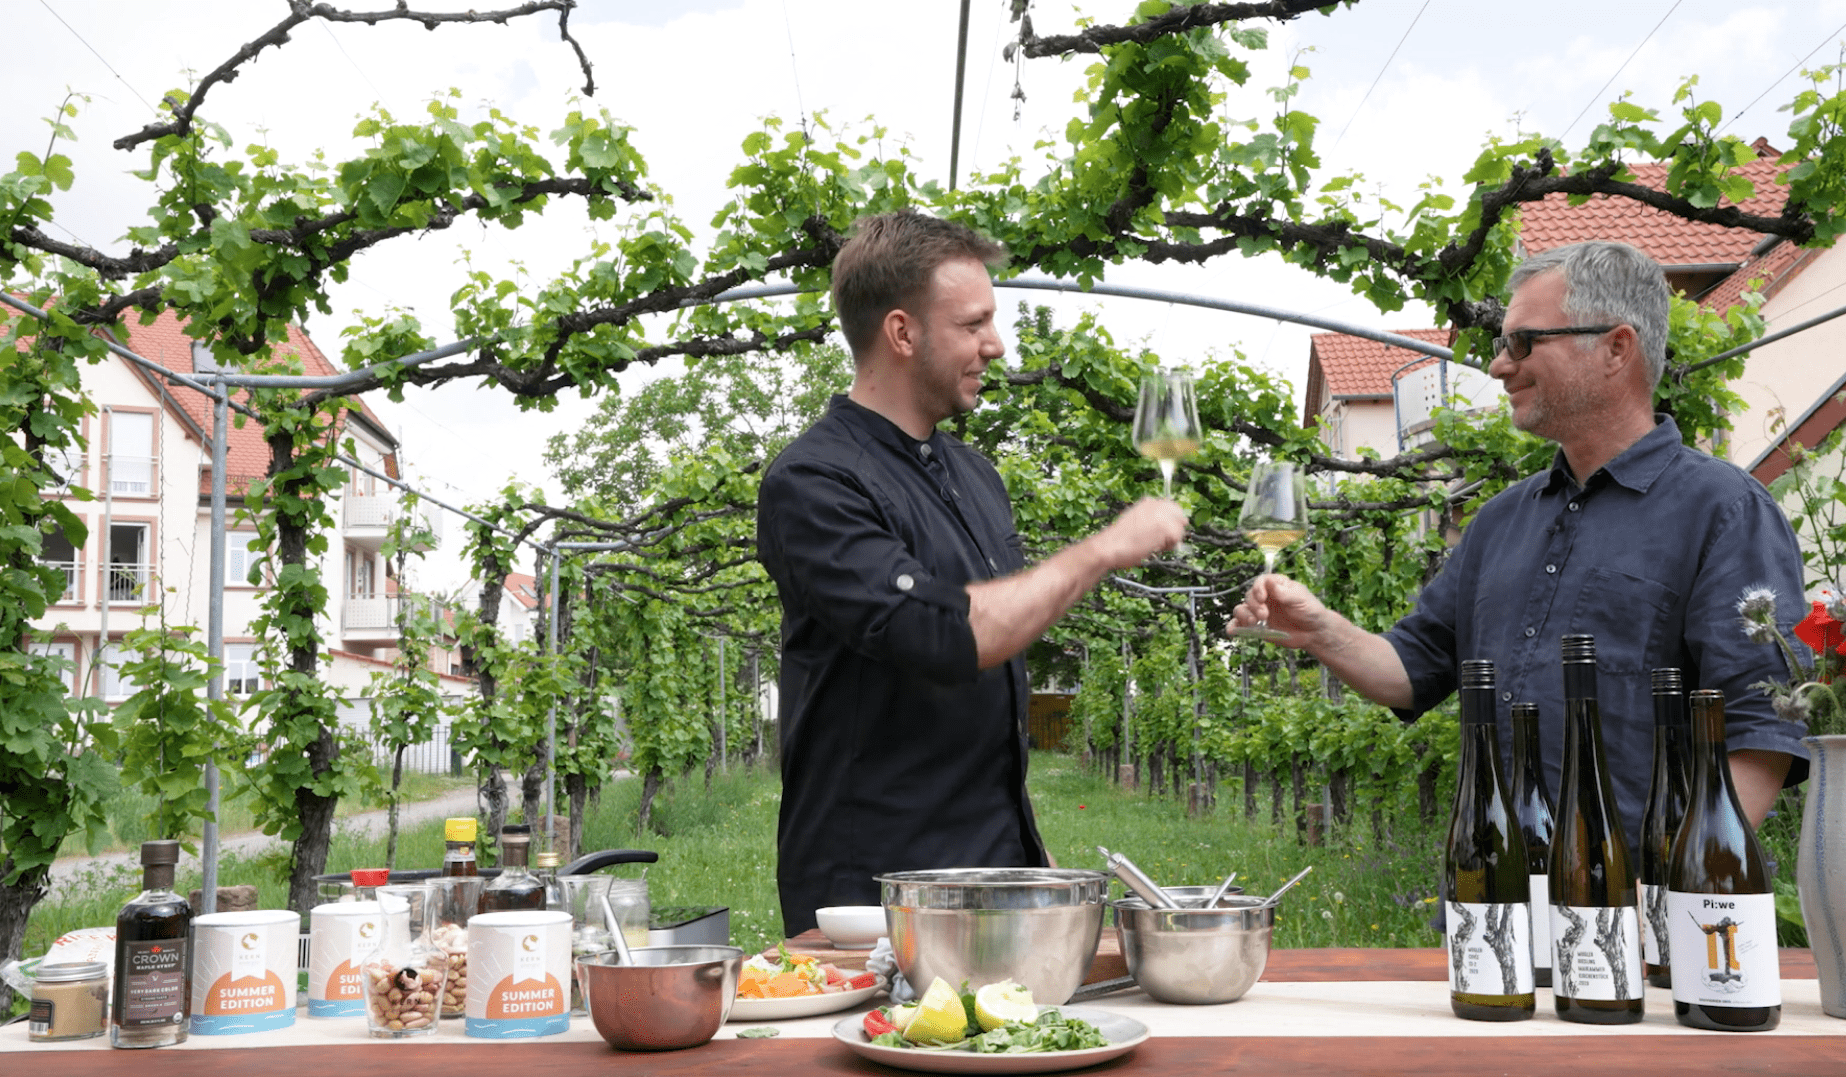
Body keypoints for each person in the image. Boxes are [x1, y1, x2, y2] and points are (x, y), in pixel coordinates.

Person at [1232, 240, 1806, 841]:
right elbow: (1414, 667)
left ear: (1616, 347)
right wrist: (1322, 631)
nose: (1500, 365)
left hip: (1640, 906)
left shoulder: (1722, 511)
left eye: (1523, 342)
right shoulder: (1500, 522)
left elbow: (1763, 729)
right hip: (1493, 902)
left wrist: (1670, 892)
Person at [757, 209, 1187, 937]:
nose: (995, 345)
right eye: (973, 323)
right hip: (871, 894)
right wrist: (1103, 548)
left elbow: (984, 691)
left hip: (993, 873)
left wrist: (1026, 850)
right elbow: (943, 634)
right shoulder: (813, 481)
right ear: (902, 332)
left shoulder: (974, 474)